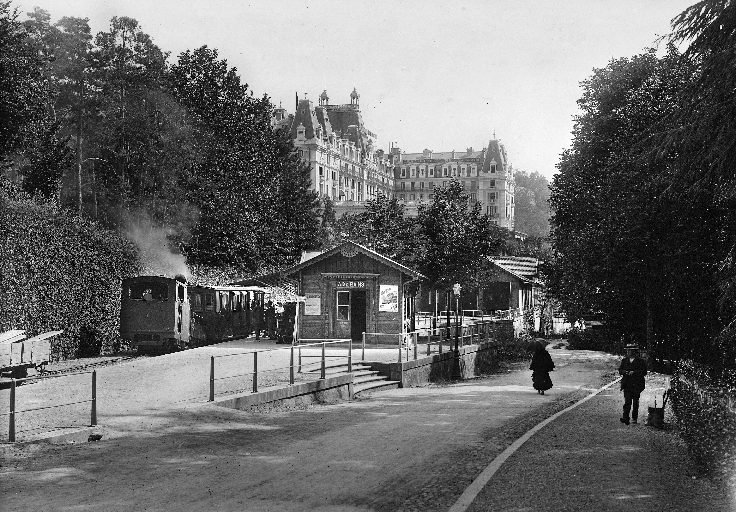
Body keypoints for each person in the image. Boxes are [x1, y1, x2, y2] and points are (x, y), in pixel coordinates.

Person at [619, 343, 648, 425]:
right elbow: (620, 370)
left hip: (636, 384)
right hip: (627, 384)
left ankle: (634, 418)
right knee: (627, 401)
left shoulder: (640, 361)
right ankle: (625, 417)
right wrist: (625, 372)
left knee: (635, 401)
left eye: (629, 351)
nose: (628, 352)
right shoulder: (624, 360)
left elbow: (644, 372)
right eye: (627, 350)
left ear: (634, 352)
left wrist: (634, 372)